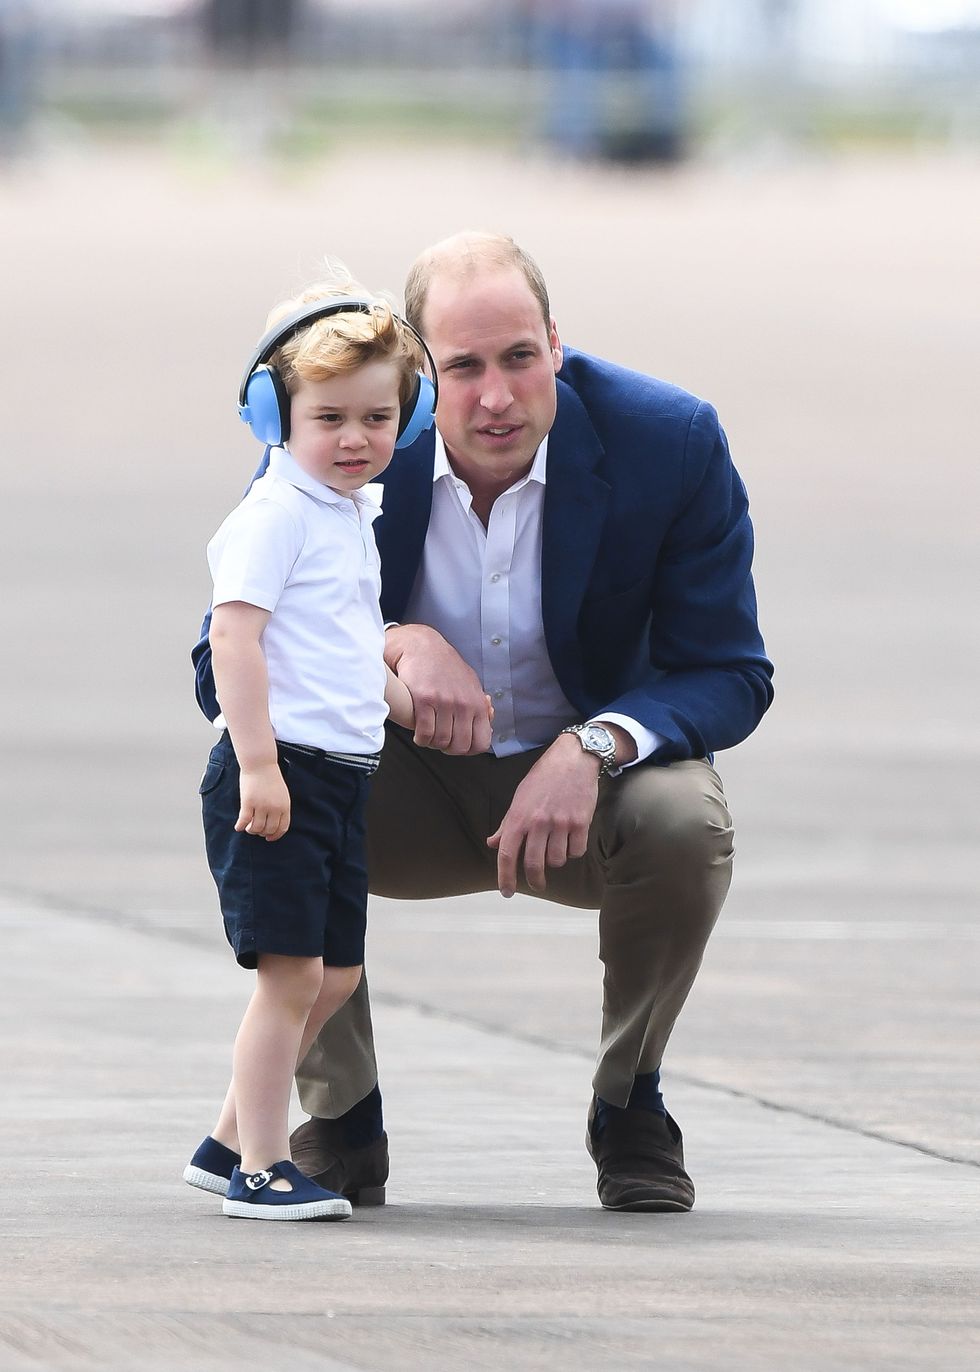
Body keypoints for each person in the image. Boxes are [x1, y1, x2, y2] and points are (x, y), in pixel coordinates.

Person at [193, 231, 774, 1213]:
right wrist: (387, 641)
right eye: (461, 367)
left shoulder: (666, 441)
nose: (495, 395)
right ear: (417, 368)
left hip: (582, 797)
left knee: (686, 817)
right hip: (392, 785)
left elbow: (727, 669)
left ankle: (627, 1101)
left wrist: (591, 745)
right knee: (258, 765)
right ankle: (337, 1116)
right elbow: (221, 663)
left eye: (518, 356)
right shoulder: (346, 437)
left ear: (556, 341)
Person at [184, 268, 435, 1220]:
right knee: (290, 979)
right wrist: (256, 764)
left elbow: (341, 639)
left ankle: (222, 1140)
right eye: (329, 417)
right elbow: (233, 639)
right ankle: (258, 1167)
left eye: (377, 419)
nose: (355, 439)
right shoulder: (275, 516)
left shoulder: (350, 515)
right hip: (277, 771)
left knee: (337, 976)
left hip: (338, 777)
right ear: (275, 414)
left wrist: (406, 707)